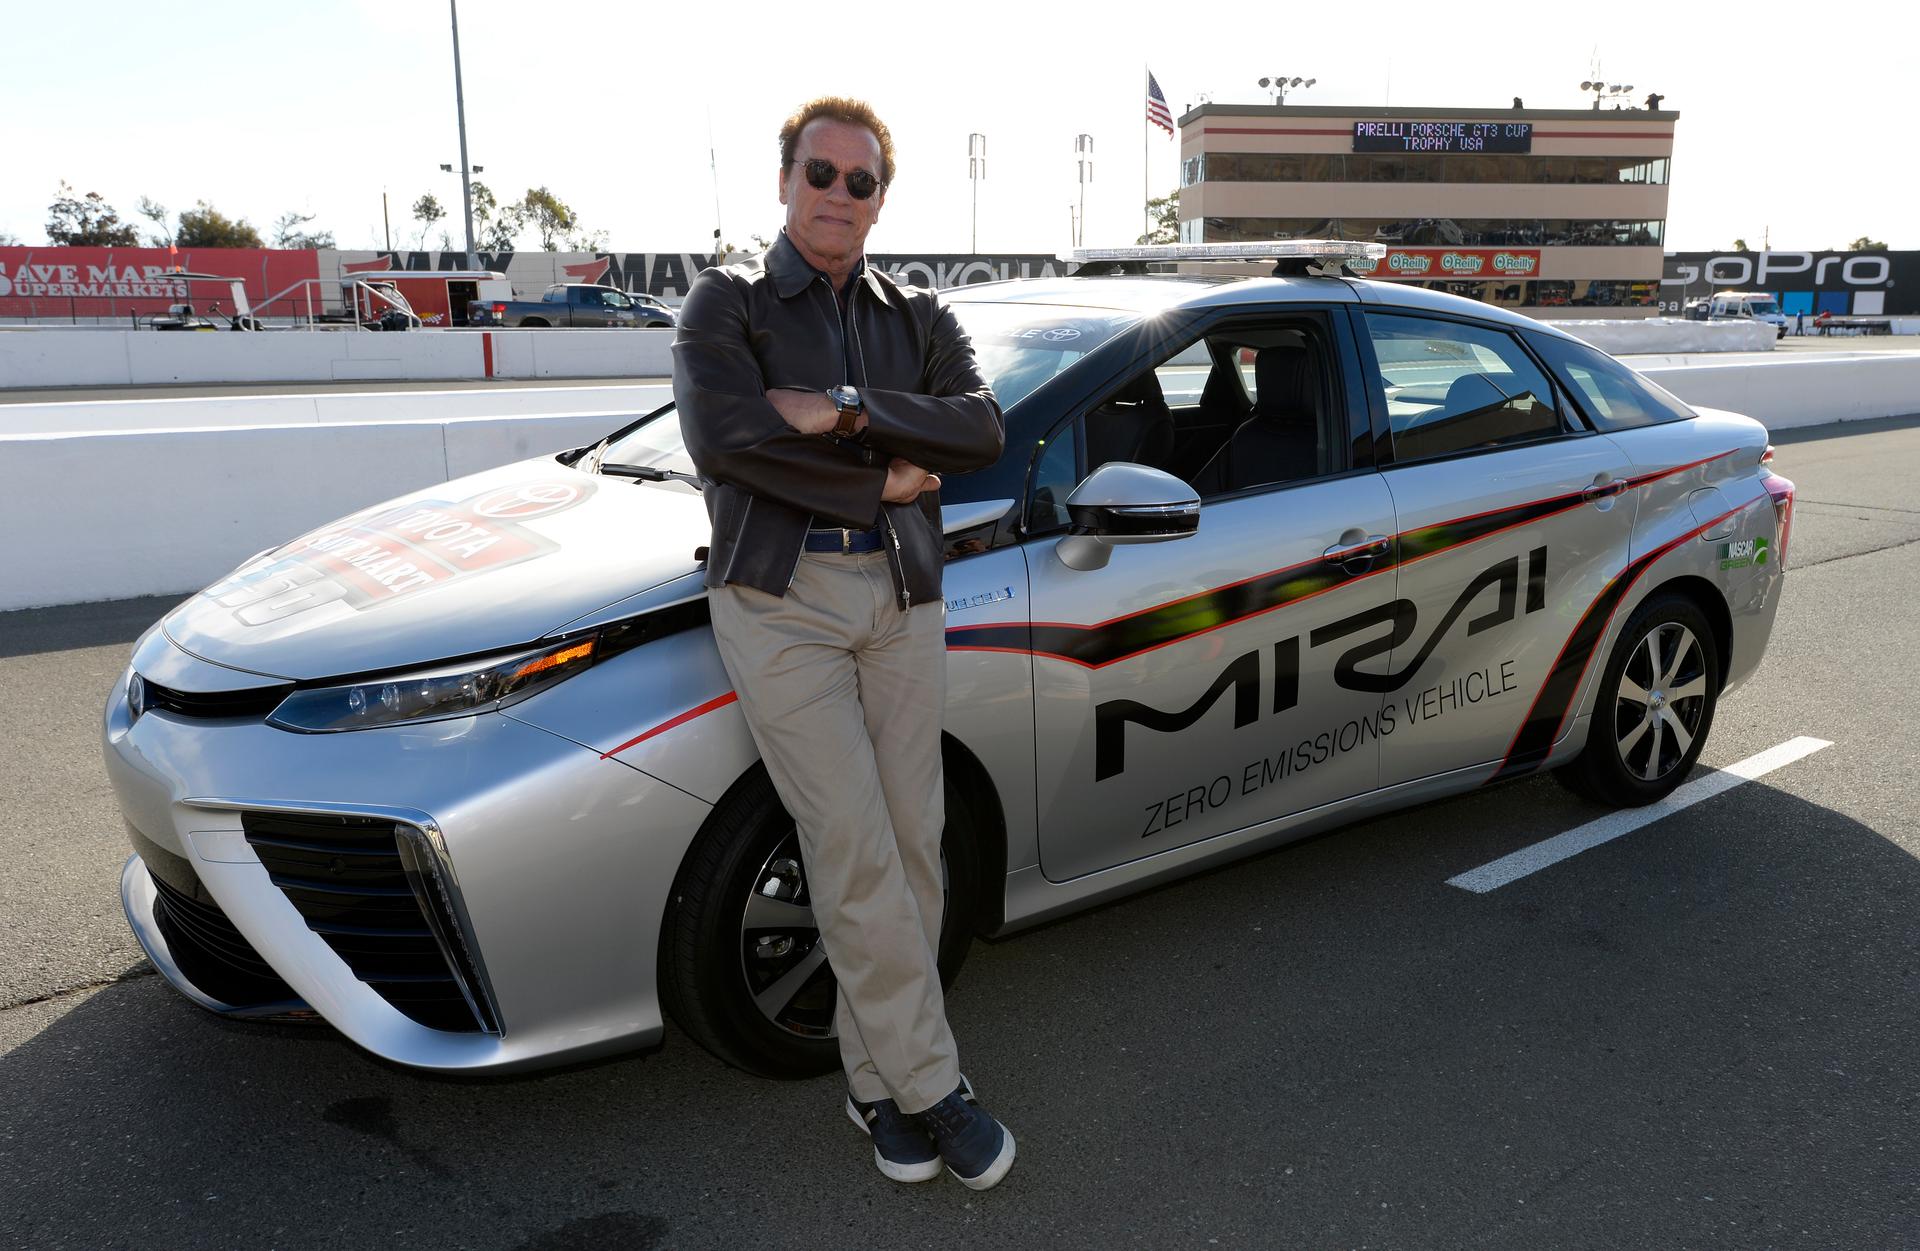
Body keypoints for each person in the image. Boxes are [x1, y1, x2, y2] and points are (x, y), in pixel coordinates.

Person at [672, 96, 1014, 1190]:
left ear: (879, 199)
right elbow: (730, 440)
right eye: (821, 173)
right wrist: (887, 479)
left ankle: (871, 1090)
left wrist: (848, 409)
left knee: (916, 840)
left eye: (861, 182)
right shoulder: (724, 302)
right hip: (782, 600)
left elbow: (980, 427)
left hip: (902, 595)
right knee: (856, 842)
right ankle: (933, 1087)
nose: (839, 195)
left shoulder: (917, 312)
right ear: (785, 182)